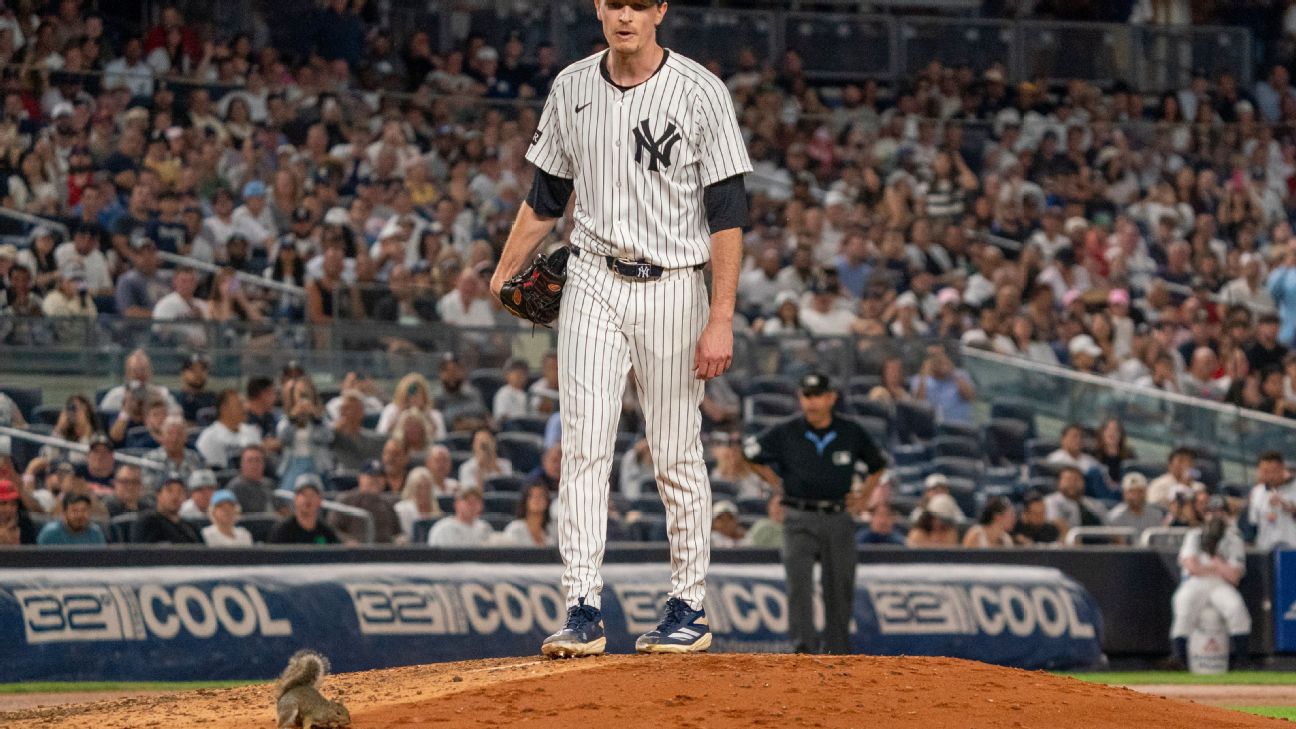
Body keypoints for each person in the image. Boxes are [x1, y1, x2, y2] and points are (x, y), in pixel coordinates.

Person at [489, 0, 752, 659]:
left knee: (675, 452)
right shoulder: (571, 86)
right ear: (598, 7)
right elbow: (547, 196)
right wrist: (504, 270)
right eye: (615, 2)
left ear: (659, 9)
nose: (625, 15)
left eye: (639, 2)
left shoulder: (700, 91)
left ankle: (688, 605)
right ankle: (582, 607)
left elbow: (727, 213)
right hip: (592, 278)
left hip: (675, 284)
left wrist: (721, 317)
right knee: (583, 446)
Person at [745, 372, 886, 654]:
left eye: (818, 395)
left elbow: (877, 464)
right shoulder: (786, 431)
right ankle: (803, 652)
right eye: (807, 396)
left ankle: (838, 651)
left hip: (838, 516)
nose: (812, 402)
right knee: (799, 586)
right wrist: (775, 482)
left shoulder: (850, 431)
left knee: (839, 586)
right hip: (799, 516)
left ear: (831, 398)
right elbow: (750, 453)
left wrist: (864, 497)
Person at [1168, 497, 1251, 671]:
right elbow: (1191, 566)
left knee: (1236, 609)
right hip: (1195, 582)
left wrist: (1213, 557)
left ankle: (1242, 661)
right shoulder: (1195, 534)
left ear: (1226, 514)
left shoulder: (1233, 538)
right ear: (1205, 514)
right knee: (1183, 605)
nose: (1215, 515)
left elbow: (1234, 576)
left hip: (1221, 584)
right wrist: (1220, 567)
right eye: (1211, 512)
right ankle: (1178, 658)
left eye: (1220, 511)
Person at [334, 460, 403, 544]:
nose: (375, 480)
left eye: (379, 477)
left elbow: (397, 532)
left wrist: (400, 539)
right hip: (357, 550)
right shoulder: (346, 500)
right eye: (371, 476)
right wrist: (346, 540)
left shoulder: (387, 504)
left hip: (384, 550)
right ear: (360, 478)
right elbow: (333, 529)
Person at [909, 344, 976, 424]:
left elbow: (969, 397)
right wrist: (924, 377)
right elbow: (918, 405)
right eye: (933, 356)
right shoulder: (918, 379)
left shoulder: (961, 375)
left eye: (940, 355)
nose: (938, 359)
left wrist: (952, 372)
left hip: (959, 426)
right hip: (932, 426)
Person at [267, 474, 342, 545]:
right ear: (295, 498)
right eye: (303, 494)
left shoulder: (327, 533)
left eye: (312, 495)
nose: (308, 499)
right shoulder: (281, 531)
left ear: (320, 499)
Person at [195, 389, 261, 469]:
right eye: (240, 404)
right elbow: (211, 470)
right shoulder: (209, 437)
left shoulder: (252, 431)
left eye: (245, 403)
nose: (246, 407)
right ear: (223, 409)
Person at [1248, 451, 1296, 551]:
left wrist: (1288, 506)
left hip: (1292, 549)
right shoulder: (1257, 492)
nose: (1270, 476)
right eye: (1265, 472)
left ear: (1282, 468)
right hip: (1265, 550)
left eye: (1273, 471)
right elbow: (1253, 523)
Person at [132, 475, 201, 544]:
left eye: (180, 491)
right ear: (158, 494)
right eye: (169, 490)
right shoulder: (148, 522)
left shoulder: (191, 528)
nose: (175, 496)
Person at [142, 415, 203, 491]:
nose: (174, 438)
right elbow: (149, 488)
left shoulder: (196, 459)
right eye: (170, 433)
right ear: (162, 437)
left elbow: (203, 487)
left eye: (179, 434)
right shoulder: (150, 459)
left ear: (186, 437)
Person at [1044, 467, 1109, 538]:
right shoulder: (1050, 501)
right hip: (1071, 542)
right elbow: (1057, 524)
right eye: (1068, 480)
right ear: (1059, 482)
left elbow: (1109, 528)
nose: (1072, 483)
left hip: (1101, 541)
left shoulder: (1095, 504)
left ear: (1083, 482)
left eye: (1076, 480)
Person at [330, 390, 385, 471]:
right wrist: (334, 430)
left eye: (348, 409)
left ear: (360, 413)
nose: (342, 412)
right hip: (341, 475)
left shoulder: (373, 439)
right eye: (341, 409)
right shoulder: (331, 434)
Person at [427, 484, 495, 547]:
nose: (473, 506)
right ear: (457, 504)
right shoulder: (442, 529)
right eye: (469, 502)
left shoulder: (485, 528)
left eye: (477, 502)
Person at [1106, 473, 1167, 538]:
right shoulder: (1115, 517)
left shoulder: (1156, 515)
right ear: (1124, 493)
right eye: (1131, 492)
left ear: (1145, 493)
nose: (1135, 496)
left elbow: (1160, 540)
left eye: (1140, 491)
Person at [394, 466, 444, 541]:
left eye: (427, 487)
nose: (423, 492)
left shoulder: (437, 508)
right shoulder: (402, 509)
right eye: (419, 487)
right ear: (412, 488)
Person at [37, 492, 107, 546]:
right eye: (74, 511)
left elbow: (101, 558)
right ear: (64, 513)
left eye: (84, 510)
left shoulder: (95, 532)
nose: (80, 515)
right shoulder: (50, 533)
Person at [226, 445, 277, 514]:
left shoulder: (269, 484)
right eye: (250, 460)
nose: (254, 464)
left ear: (264, 464)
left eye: (258, 460)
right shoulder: (235, 487)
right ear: (241, 464)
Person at [0, 480, 38, 545]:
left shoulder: (25, 523)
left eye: (13, 504)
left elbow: (33, 549)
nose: (9, 509)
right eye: (3, 503)